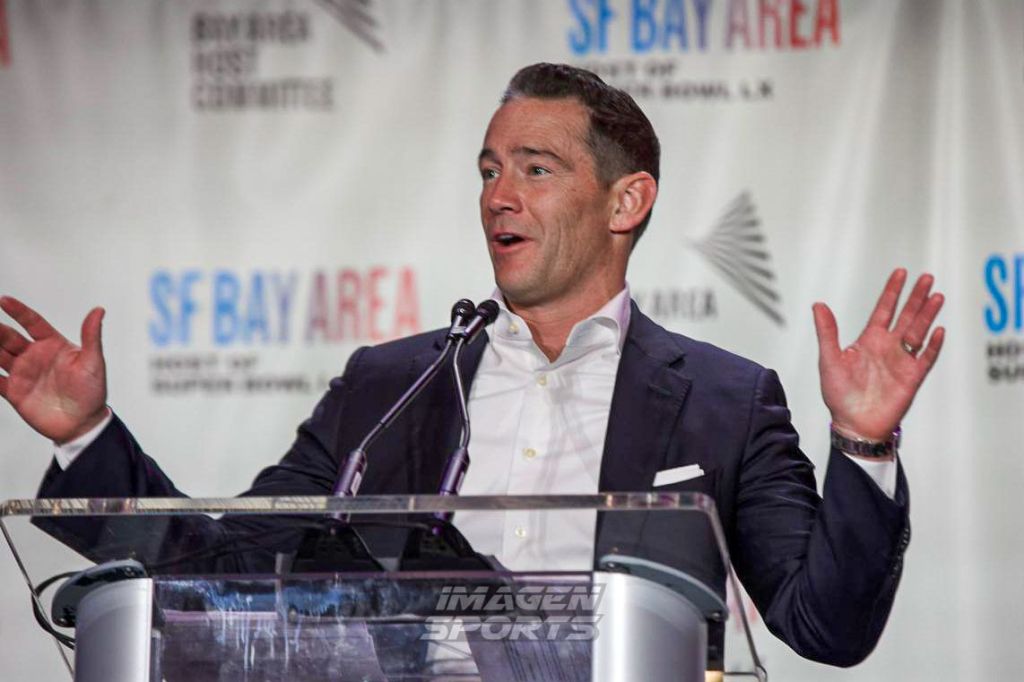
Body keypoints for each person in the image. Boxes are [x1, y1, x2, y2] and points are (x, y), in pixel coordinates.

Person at [0, 63, 944, 667]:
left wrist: (864, 445)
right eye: (489, 171)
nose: (499, 196)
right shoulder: (391, 386)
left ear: (626, 202)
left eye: (536, 168)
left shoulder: (724, 400)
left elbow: (826, 628)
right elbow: (230, 565)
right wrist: (87, 438)